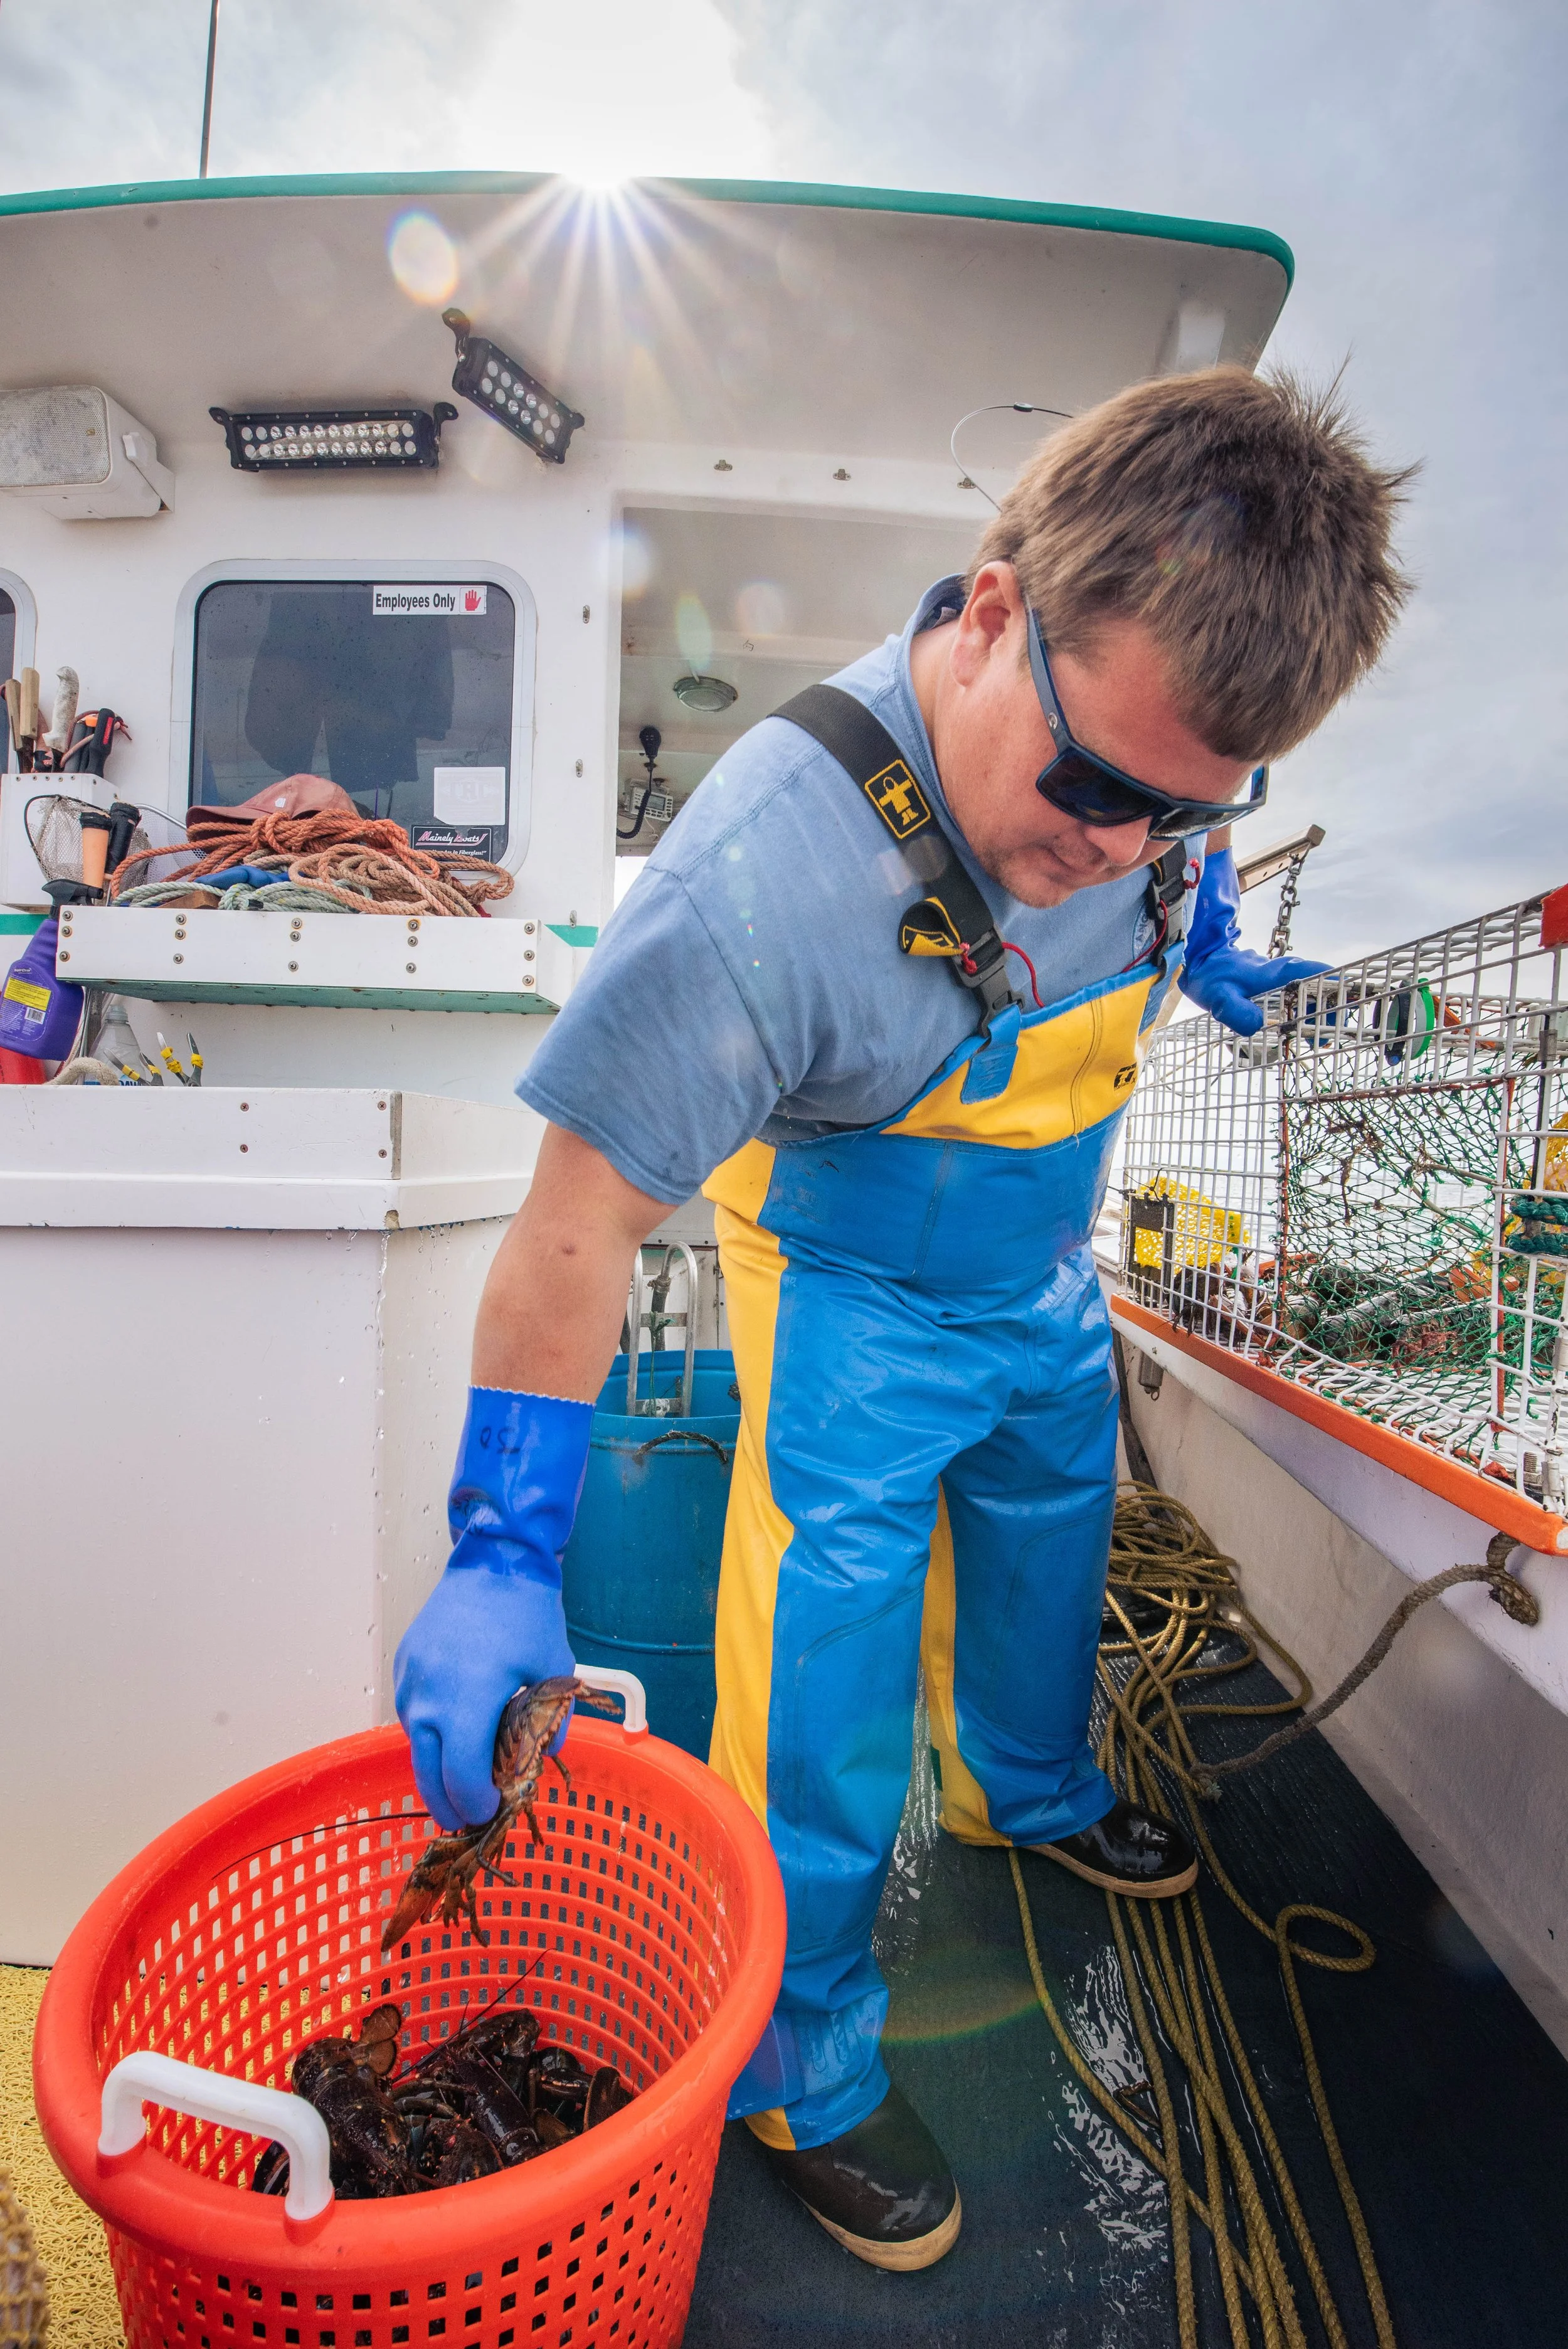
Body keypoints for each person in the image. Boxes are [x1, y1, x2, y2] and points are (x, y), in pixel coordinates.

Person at [395, 368, 1411, 2271]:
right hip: (850, 1290)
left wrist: (1210, 938)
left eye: (1191, 808)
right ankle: (798, 2060)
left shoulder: (1147, 813)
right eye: (1097, 788)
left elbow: (1149, 861)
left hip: (1042, 1279)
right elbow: (568, 1233)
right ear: (995, 610)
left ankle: (1027, 1787)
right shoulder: (750, 887)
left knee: (1049, 1543)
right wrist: (496, 1546)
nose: (1119, 846)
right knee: (823, 1684)